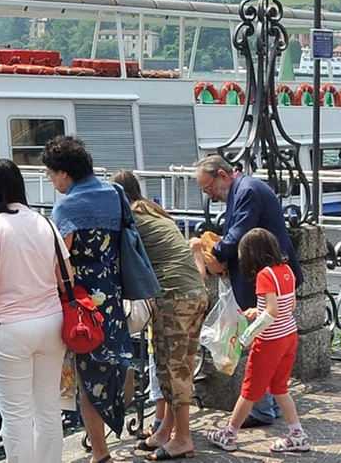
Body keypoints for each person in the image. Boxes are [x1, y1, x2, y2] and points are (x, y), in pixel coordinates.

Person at [0, 159, 68, 463]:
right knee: (48, 409)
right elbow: (65, 277)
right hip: (51, 324)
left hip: (8, 328)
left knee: (16, 416)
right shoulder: (45, 223)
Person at [190, 155, 302, 428]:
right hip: (271, 278)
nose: (211, 196)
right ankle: (271, 404)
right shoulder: (245, 189)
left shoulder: (247, 191)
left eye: (209, 189)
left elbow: (238, 235)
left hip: (261, 281)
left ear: (222, 175)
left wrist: (211, 252)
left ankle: (261, 410)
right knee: (270, 352)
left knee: (258, 348)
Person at [112, 170, 209, 461]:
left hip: (174, 299)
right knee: (183, 366)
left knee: (171, 369)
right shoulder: (155, 212)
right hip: (196, 293)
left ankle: (183, 439)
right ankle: (166, 431)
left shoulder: (131, 220)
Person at [44, 136, 131, 463]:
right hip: (113, 293)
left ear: (64, 173)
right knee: (112, 363)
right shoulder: (115, 193)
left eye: (51, 175)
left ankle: (100, 453)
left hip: (83, 303)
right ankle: (120, 412)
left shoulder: (67, 205)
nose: (52, 182)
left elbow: (60, 258)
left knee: (88, 378)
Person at [205, 229, 311, 455]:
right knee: (279, 388)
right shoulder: (286, 271)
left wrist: (248, 335)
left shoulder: (264, 275)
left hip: (270, 341)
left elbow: (271, 311)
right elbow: (287, 306)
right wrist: (258, 310)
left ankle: (229, 434)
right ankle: (297, 434)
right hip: (289, 336)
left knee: (250, 390)